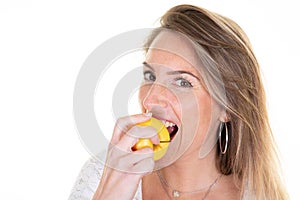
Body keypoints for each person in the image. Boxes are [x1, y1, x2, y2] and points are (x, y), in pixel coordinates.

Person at [69, 4, 289, 200]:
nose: (151, 98)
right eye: (150, 76)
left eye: (182, 82)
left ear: (227, 107)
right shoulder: (100, 178)